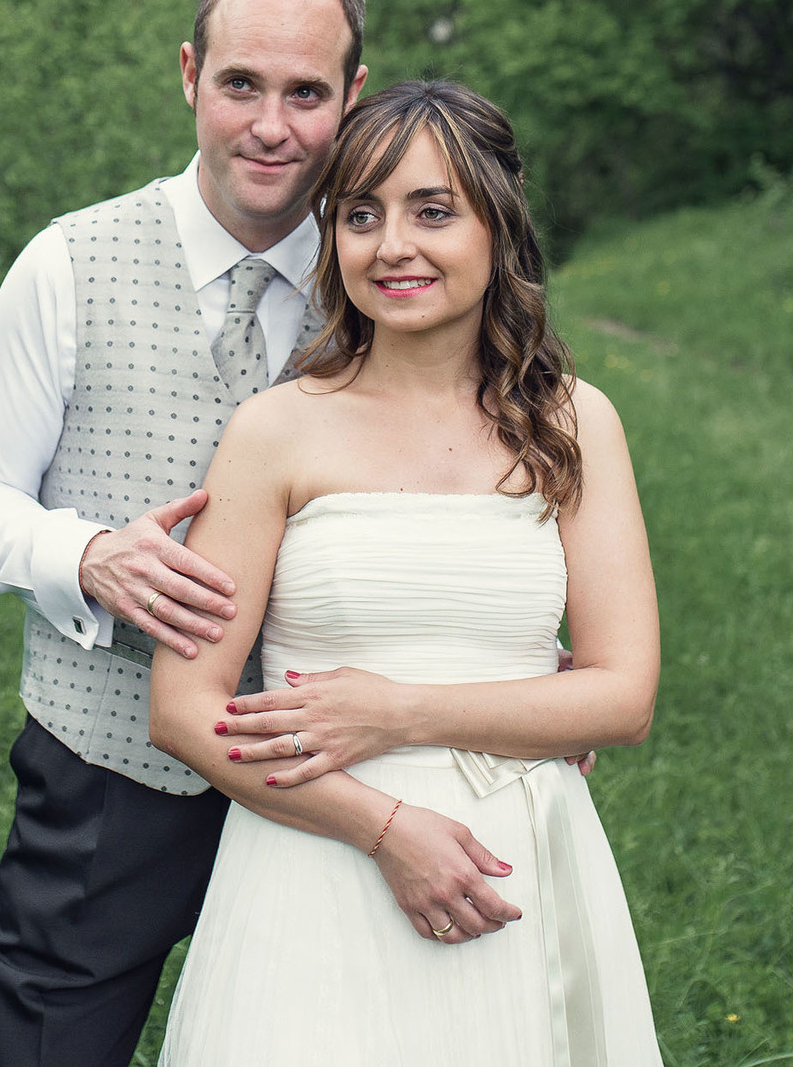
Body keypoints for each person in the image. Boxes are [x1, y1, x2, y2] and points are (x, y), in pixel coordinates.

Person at [149, 79, 665, 1066]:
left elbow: (622, 695)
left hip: (512, 859)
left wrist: (399, 713)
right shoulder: (275, 430)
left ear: (497, 224)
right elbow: (183, 707)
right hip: (311, 857)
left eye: (433, 210)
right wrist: (384, 826)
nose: (393, 246)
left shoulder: (572, 424)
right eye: (360, 214)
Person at [0, 0, 370, 1067]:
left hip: (329, 763)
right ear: (190, 74)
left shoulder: (387, 285)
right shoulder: (66, 263)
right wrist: (85, 557)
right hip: (105, 765)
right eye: (241, 84)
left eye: (305, 92)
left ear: (352, 97)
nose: (271, 126)